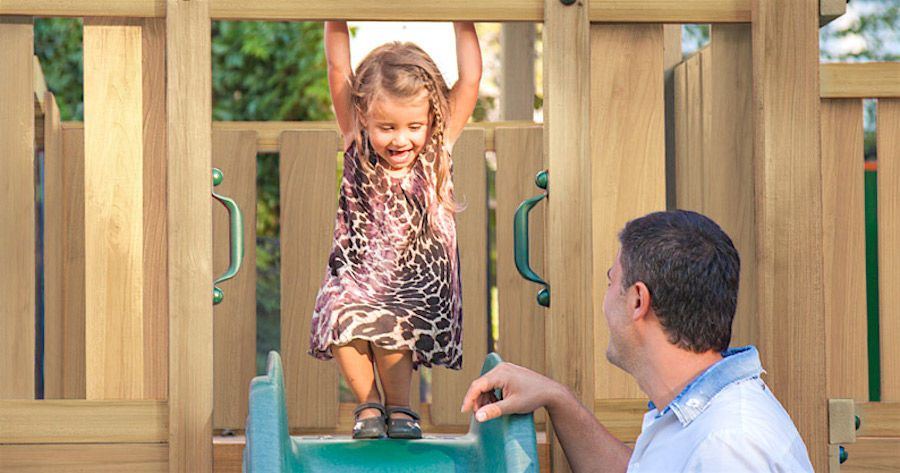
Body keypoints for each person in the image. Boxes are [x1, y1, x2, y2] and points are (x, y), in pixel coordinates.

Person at [461, 210, 814, 471]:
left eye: (611, 280)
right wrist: (558, 398)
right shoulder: (696, 414)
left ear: (637, 301)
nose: (605, 295)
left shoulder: (727, 447)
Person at [308, 21, 481, 440]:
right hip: (359, 267)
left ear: (431, 119)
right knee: (339, 314)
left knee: (389, 326)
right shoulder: (356, 140)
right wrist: (336, 17)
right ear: (364, 116)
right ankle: (369, 407)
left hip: (417, 277)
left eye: (413, 127)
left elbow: (471, 78)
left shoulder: (438, 145)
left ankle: (401, 410)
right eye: (387, 127)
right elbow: (337, 67)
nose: (401, 139)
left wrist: (465, 16)